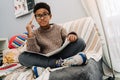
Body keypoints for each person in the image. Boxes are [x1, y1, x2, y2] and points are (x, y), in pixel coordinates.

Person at [18, 2, 86, 68]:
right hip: (44, 58)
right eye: (39, 16)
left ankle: (53, 64)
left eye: (45, 14)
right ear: (36, 19)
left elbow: (67, 40)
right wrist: (30, 33)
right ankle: (60, 63)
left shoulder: (59, 28)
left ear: (50, 16)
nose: (42, 18)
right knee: (22, 57)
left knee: (80, 42)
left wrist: (72, 35)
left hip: (61, 54)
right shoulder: (34, 33)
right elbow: (34, 52)